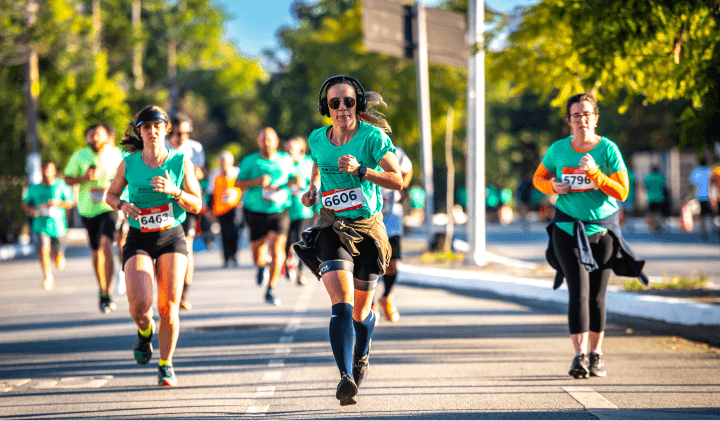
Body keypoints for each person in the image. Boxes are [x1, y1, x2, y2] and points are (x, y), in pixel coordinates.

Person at [293, 75, 403, 405]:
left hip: (367, 228)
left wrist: (361, 171)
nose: (343, 108)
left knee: (360, 313)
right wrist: (313, 189)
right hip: (331, 224)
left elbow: (397, 181)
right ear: (326, 107)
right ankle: (345, 377)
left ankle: (362, 350)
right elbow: (317, 163)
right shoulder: (317, 138)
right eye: (335, 102)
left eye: (349, 101)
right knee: (340, 303)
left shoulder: (372, 137)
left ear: (359, 104)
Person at [533, 93, 646, 379]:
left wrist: (596, 174)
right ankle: (579, 356)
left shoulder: (607, 149)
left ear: (595, 117)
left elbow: (622, 192)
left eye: (586, 114)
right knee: (578, 292)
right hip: (567, 229)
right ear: (568, 121)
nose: (581, 120)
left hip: (603, 230)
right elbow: (538, 179)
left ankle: (596, 355)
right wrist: (553, 188)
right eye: (576, 115)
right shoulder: (558, 149)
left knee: (596, 296)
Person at [105, 105, 202, 387]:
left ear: (166, 128)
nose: (152, 131)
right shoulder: (129, 163)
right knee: (140, 306)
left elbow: (196, 204)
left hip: (171, 236)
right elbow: (110, 195)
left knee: (168, 307)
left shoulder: (180, 161)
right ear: (140, 131)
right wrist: (123, 205)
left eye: (157, 126)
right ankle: (145, 332)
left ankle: (165, 364)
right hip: (139, 237)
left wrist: (175, 191)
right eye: (146, 127)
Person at [64, 124, 123, 313]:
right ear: (86, 138)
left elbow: (127, 177)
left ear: (107, 136)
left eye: (98, 134)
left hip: (110, 206)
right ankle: (102, 289)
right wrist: (83, 178)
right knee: (96, 251)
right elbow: (67, 178)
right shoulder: (79, 156)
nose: (94, 138)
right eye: (91, 135)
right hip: (88, 209)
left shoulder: (116, 154)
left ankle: (109, 289)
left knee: (107, 243)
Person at [235, 127, 294, 306]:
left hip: (279, 210)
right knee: (257, 254)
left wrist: (296, 181)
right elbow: (237, 183)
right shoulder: (250, 160)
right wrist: (256, 182)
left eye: (270, 139)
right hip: (255, 211)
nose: (266, 143)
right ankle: (261, 266)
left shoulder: (285, 159)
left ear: (277, 142)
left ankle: (271, 288)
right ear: (258, 142)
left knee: (278, 249)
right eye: (263, 139)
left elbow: (293, 177)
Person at [166, 112, 205, 310]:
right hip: (164, 203)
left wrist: (195, 173)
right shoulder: (161, 147)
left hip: (187, 201)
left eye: (186, 133)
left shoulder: (195, 148)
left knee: (186, 245)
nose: (182, 137)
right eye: (178, 133)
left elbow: (200, 171)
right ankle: (168, 289)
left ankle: (184, 293)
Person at [22, 161, 75, 290]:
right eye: (44, 171)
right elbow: (26, 203)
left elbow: (70, 203)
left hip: (58, 227)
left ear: (54, 172)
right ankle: (47, 276)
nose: (47, 173)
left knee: (58, 258)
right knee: (43, 250)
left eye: (49, 170)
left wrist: (57, 203)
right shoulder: (34, 188)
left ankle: (58, 255)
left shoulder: (60, 186)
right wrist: (31, 211)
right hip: (40, 225)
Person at [376, 145, 413, 322]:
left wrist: (401, 187)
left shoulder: (395, 152)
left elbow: (408, 169)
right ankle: (367, 303)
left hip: (391, 216)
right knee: (367, 261)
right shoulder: (357, 147)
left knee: (392, 261)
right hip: (367, 214)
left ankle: (386, 297)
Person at [284, 136, 315, 285]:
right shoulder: (284, 162)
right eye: (287, 148)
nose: (288, 151)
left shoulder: (308, 162)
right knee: (287, 241)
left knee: (302, 240)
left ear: (300, 149)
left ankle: (301, 272)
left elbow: (316, 181)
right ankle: (288, 263)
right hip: (285, 207)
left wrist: (306, 184)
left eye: (292, 148)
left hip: (303, 209)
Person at [207, 151, 242, 268]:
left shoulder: (237, 172)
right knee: (224, 234)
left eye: (226, 162)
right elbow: (210, 192)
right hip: (220, 208)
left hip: (235, 207)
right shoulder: (215, 174)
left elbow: (243, 188)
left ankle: (234, 255)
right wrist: (209, 209)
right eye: (222, 162)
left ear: (231, 162)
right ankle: (226, 257)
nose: (224, 164)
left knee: (235, 232)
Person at [106, 124, 128, 297]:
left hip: (131, 203)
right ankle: (122, 272)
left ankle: (125, 272)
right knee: (119, 241)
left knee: (124, 239)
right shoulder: (98, 158)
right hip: (113, 204)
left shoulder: (124, 156)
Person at [689, 158, 714, 240]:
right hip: (711, 196)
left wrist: (693, 194)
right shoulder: (710, 171)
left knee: (702, 214)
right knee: (712, 212)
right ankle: (714, 226)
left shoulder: (696, 172)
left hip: (700, 195)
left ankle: (704, 230)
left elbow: (692, 185)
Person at [644, 165, 666, 233]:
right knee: (658, 212)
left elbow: (645, 186)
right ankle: (657, 224)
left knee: (651, 212)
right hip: (659, 197)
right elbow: (664, 186)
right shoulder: (661, 177)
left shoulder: (648, 177)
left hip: (650, 197)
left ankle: (651, 224)